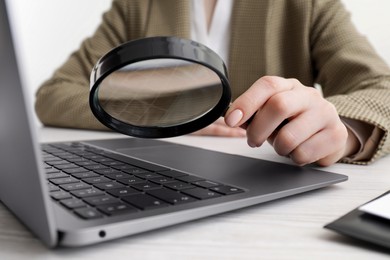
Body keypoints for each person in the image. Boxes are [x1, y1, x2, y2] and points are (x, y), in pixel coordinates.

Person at [35, 0, 390, 166]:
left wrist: (340, 131)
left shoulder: (307, 4)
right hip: (153, 169)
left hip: (266, 174)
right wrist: (171, 114)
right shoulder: (136, 6)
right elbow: (54, 94)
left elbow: (380, 87)